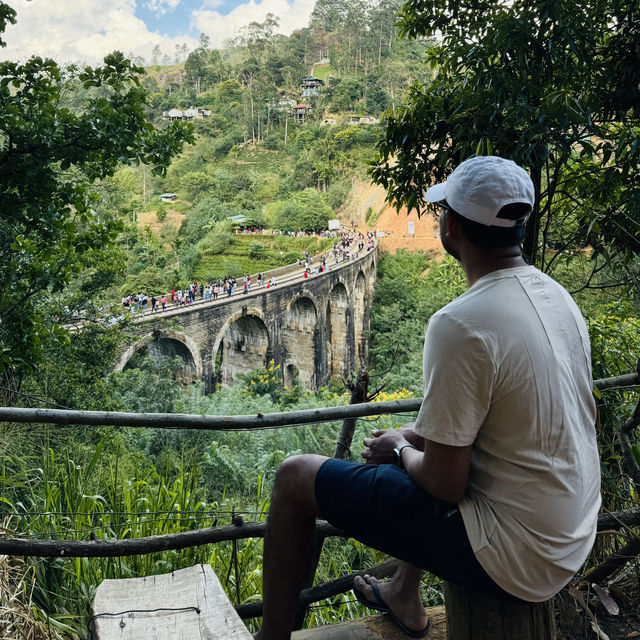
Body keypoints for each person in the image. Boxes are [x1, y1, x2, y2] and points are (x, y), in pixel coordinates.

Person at [254, 156, 601, 640]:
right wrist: (413, 439)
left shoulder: (461, 323)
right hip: (569, 535)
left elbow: (444, 484)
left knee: (294, 479)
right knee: (416, 448)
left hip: (518, 558)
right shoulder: (555, 295)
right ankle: (403, 592)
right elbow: (510, 420)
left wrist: (400, 448)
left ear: (452, 226)